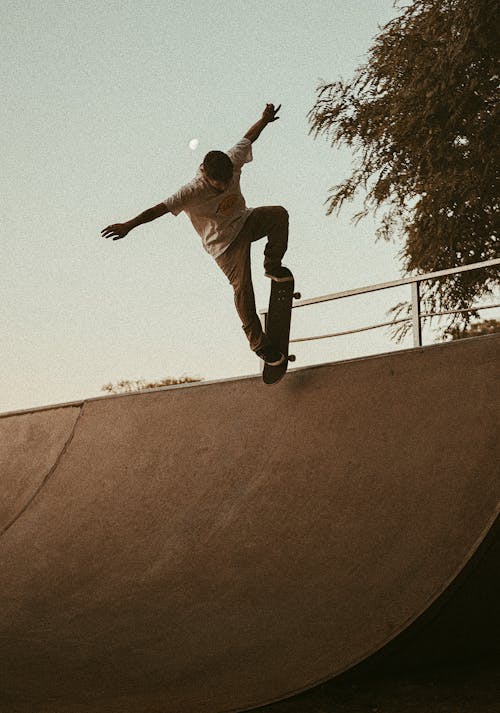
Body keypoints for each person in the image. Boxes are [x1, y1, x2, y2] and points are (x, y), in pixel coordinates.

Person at [101, 103, 292, 366]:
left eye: (228, 180)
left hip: (245, 221)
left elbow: (248, 138)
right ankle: (258, 344)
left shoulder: (232, 159)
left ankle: (272, 264)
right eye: (219, 184)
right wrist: (128, 225)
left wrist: (264, 120)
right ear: (206, 174)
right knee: (243, 290)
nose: (224, 186)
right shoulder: (191, 191)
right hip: (224, 245)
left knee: (279, 215)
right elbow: (158, 209)